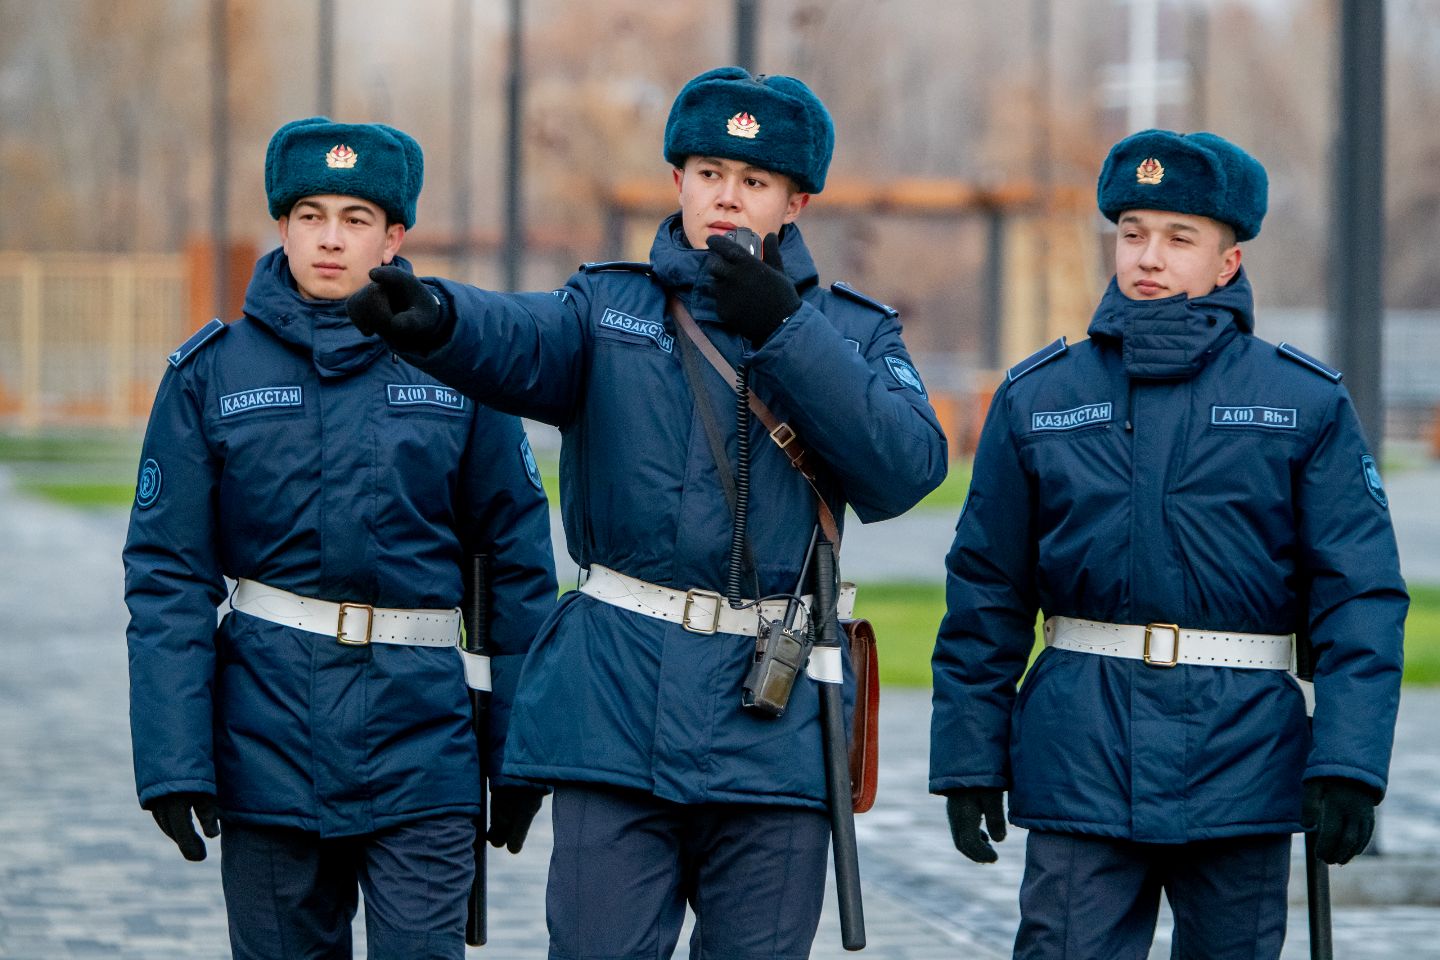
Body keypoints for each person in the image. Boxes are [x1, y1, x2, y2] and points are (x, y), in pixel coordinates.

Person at [346, 66, 948, 959]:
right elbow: (517, 340)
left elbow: (906, 467)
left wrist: (786, 329)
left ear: (797, 202)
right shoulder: (608, 306)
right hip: (615, 709)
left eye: (753, 183)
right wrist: (436, 314)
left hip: (775, 725)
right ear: (678, 181)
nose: (727, 198)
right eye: (709, 174)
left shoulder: (854, 333)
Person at [929, 128, 1407, 958]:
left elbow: (1358, 595)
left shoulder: (1303, 403)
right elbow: (986, 591)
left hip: (1245, 759)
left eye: (1179, 237)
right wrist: (969, 753)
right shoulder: (1039, 397)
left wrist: (1350, 762)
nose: (1149, 256)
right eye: (1133, 232)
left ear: (1228, 260)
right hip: (1080, 753)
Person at [123, 117, 558, 960]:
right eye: (311, 215)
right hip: (267, 745)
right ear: (282, 226)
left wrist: (519, 751)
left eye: (356, 219)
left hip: (425, 745)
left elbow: (516, 567)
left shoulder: (461, 370)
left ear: (395, 237)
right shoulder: (210, 375)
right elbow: (168, 578)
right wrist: (173, 759)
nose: (330, 239)